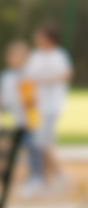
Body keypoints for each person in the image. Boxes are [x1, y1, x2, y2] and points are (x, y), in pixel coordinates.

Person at [22, 21, 73, 194]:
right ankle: (47, 179)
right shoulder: (35, 55)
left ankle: (59, 176)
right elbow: (27, 78)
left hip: (51, 106)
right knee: (42, 142)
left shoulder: (59, 55)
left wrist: (45, 80)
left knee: (42, 142)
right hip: (35, 106)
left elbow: (66, 74)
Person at [0, 40, 40, 190]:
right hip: (18, 120)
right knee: (13, 148)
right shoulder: (5, 76)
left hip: (31, 120)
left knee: (35, 148)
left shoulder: (29, 74)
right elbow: (3, 98)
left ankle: (37, 177)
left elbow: (34, 98)